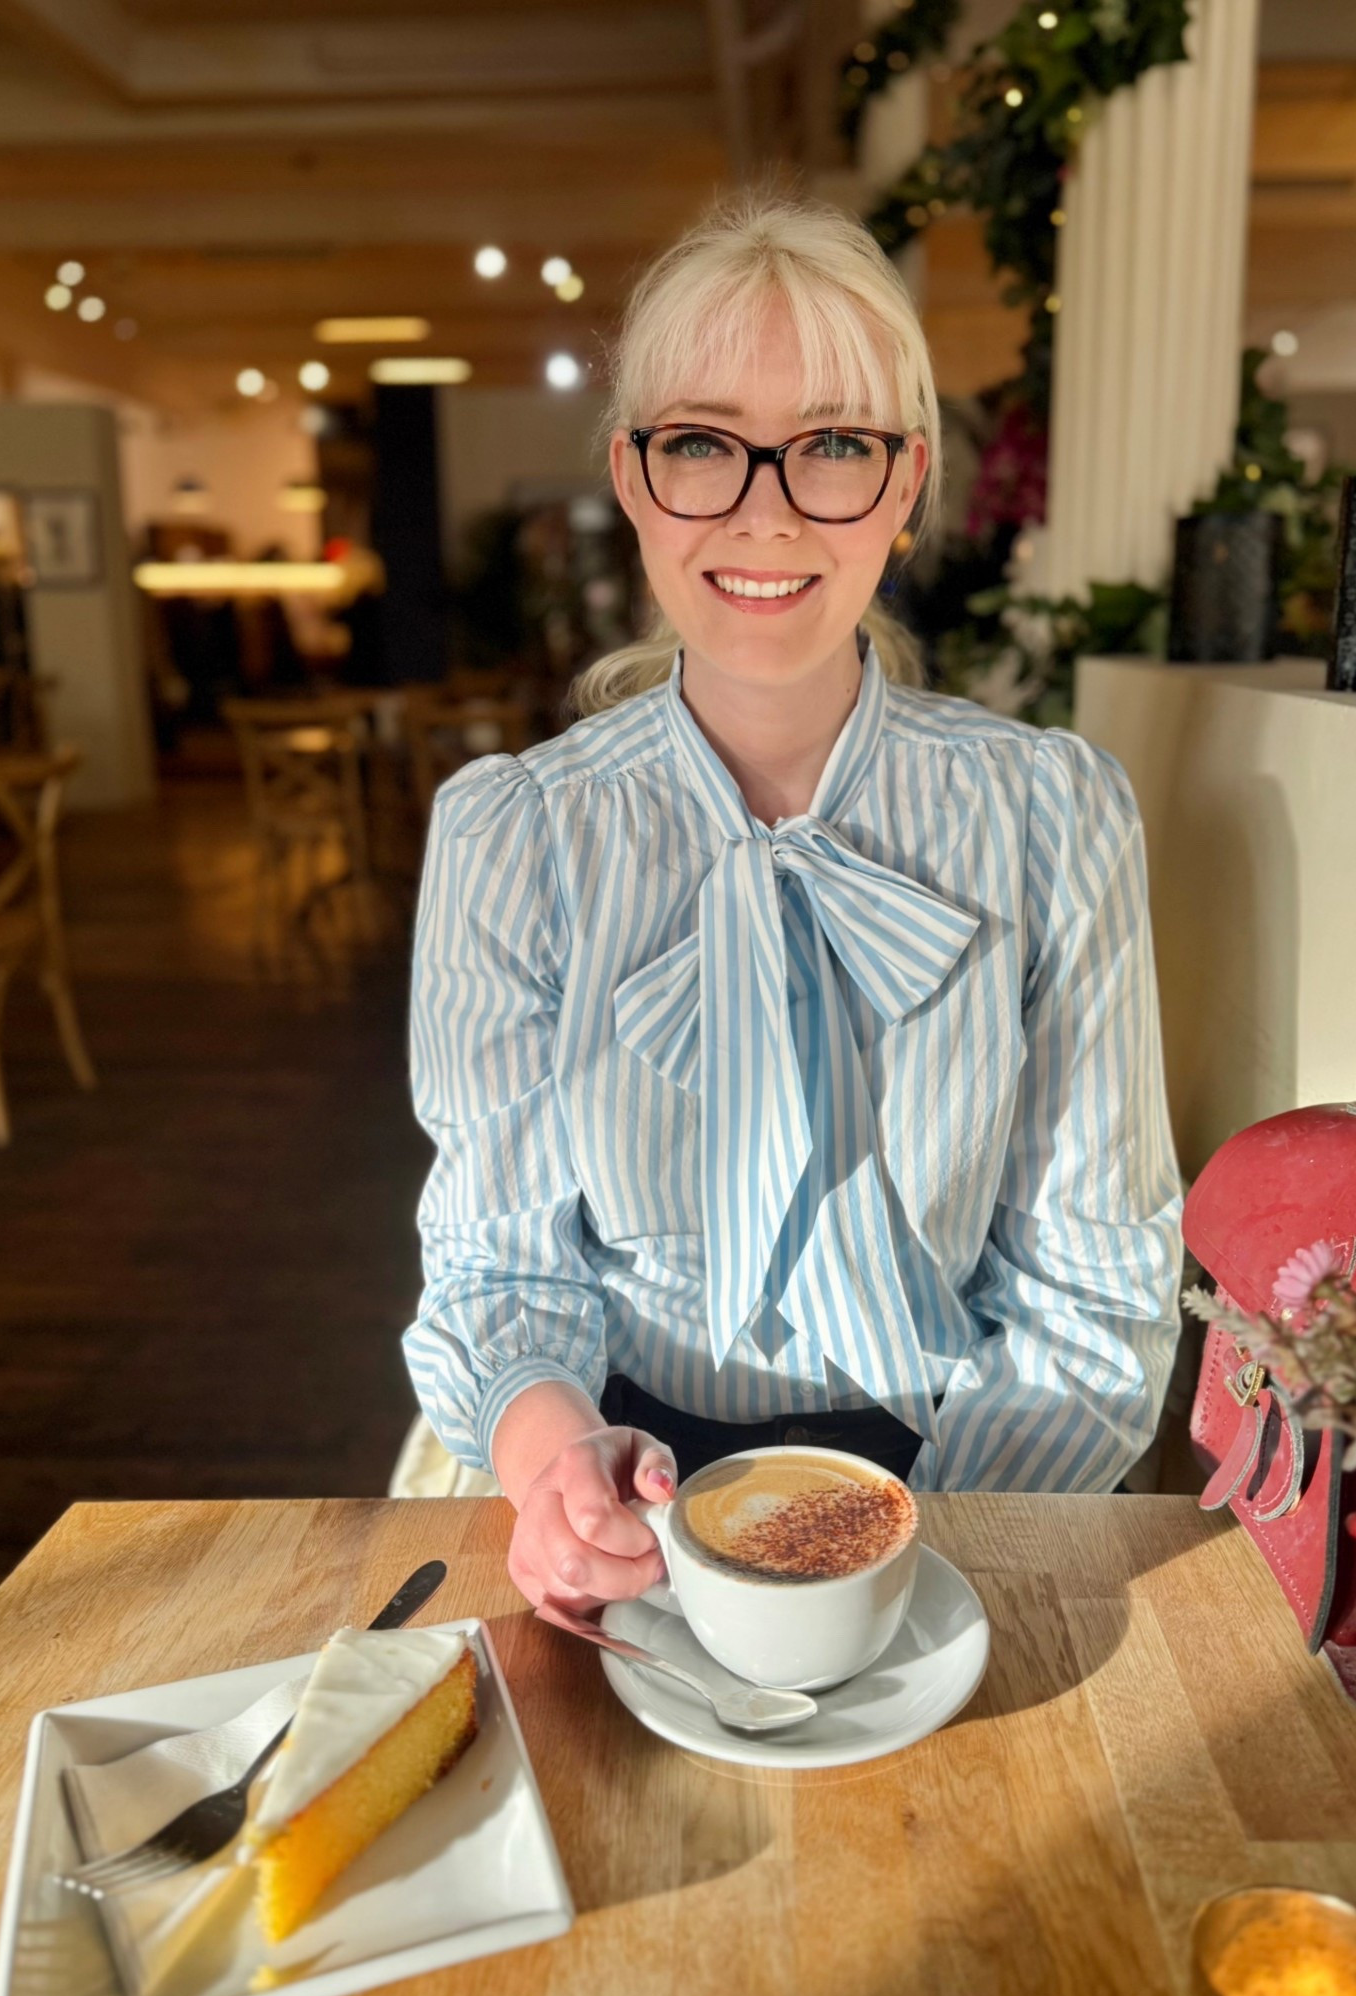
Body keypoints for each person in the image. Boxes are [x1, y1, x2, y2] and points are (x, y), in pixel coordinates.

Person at [403, 191, 1183, 1612]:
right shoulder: (515, 837)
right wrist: (560, 1465)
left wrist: (907, 1566)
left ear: (906, 484)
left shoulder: (1052, 816)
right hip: (625, 1494)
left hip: (975, 1487)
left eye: (831, 445)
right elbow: (497, 1266)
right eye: (703, 444)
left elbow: (1093, 1288)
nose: (764, 512)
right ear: (634, 477)